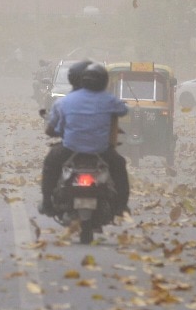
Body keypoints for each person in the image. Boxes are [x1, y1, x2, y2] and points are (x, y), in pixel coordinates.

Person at [41, 61, 131, 218]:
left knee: (50, 164)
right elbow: (123, 110)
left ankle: (47, 203)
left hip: (70, 149)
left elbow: (51, 129)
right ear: (105, 82)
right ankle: (121, 206)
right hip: (101, 151)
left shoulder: (64, 101)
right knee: (119, 166)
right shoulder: (109, 100)